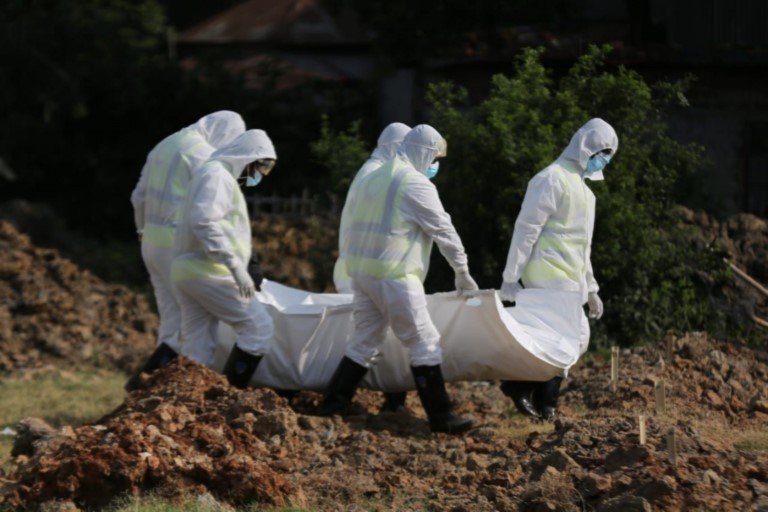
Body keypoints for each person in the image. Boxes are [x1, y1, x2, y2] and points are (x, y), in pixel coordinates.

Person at [320, 124, 480, 434]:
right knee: (425, 343)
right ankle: (441, 416)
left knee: (363, 343)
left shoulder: (375, 176)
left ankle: (332, 405)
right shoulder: (414, 183)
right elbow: (444, 231)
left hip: (363, 276)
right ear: (424, 152)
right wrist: (462, 271)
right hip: (395, 276)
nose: (435, 164)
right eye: (435, 157)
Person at [499, 118, 618, 420]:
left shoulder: (585, 192)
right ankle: (532, 393)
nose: (603, 159)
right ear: (585, 145)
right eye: (602, 151)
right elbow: (526, 229)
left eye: (608, 154)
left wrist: (591, 289)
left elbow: (583, 247)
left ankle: (539, 397)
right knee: (570, 339)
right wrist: (511, 276)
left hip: (569, 278)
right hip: (547, 274)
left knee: (564, 341)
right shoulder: (551, 179)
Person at [126, 111, 245, 390]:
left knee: (171, 322)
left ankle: (152, 391)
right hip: (179, 247)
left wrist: (143, 230)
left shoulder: (165, 145)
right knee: (193, 324)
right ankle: (155, 385)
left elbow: (137, 196)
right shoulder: (203, 154)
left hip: (152, 243)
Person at [171, 129, 277, 388]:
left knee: (197, 350)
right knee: (258, 328)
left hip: (190, 270)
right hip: (210, 271)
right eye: (260, 166)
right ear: (247, 157)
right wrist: (234, 266)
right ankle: (228, 398)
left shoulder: (212, 174)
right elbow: (204, 221)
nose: (260, 175)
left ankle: (188, 405)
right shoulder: (218, 176)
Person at [334, 122, 412, 414]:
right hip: (366, 270)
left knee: (375, 337)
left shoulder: (371, 172)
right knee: (378, 337)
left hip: (360, 267)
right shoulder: (377, 175)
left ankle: (342, 399)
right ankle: (386, 399)